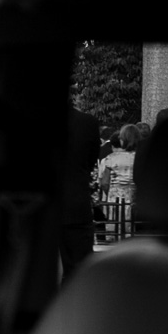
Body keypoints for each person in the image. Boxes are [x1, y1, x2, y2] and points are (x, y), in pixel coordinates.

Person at [61, 106, 103, 281]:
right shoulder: (87, 123)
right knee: (78, 267)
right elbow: (92, 160)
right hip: (75, 198)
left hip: (38, 205)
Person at [98, 122, 141, 238]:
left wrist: (110, 193)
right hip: (135, 198)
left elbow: (105, 183)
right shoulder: (141, 157)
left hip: (115, 197)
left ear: (123, 140)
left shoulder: (112, 158)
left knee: (115, 229)